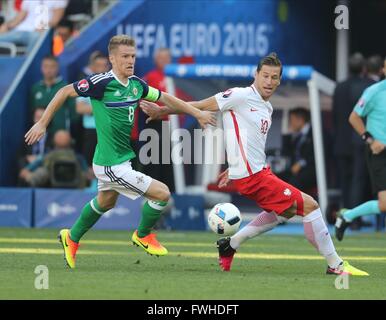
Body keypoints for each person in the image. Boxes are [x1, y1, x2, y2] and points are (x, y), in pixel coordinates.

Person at [141, 52, 368, 276]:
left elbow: (249, 143)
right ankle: (335, 264)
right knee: (311, 206)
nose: (269, 82)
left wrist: (235, 166)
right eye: (265, 76)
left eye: (274, 77)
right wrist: (163, 110)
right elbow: (199, 104)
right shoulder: (239, 95)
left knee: (283, 213)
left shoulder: (266, 107)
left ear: (279, 80)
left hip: (256, 172)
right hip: (254, 177)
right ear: (256, 74)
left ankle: (230, 245)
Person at [25, 35, 216, 269]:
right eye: (125, 56)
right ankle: (143, 235)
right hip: (109, 164)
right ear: (112, 59)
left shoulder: (136, 85)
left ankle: (71, 237)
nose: (130, 60)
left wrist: (196, 113)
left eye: (133, 56)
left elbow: (166, 97)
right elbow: (64, 91)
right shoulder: (100, 83)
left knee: (105, 202)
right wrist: (43, 123)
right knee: (163, 194)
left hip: (122, 159)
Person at [335, 57, 386, 241]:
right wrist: (370, 140)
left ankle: (347, 216)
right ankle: (347, 216)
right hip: (379, 152)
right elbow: (354, 117)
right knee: (384, 204)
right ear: (383, 69)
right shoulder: (374, 91)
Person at [332, 53, 374, 229]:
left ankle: (346, 219)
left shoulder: (339, 87)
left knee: (345, 182)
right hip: (359, 140)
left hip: (341, 141)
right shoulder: (369, 86)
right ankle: (354, 220)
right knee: (358, 180)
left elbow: (335, 115)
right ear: (364, 69)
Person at [30, 55, 78, 142]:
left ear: (58, 68)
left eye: (52, 66)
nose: (49, 70)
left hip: (60, 134)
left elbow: (73, 114)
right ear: (41, 68)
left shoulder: (66, 87)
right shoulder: (36, 88)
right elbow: (32, 111)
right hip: (40, 134)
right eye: (46, 66)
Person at [19, 130, 88, 188]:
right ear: (71, 142)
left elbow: (23, 173)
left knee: (41, 172)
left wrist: (28, 175)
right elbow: (88, 176)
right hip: (76, 191)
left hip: (50, 191)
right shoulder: (79, 158)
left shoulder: (46, 157)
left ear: (54, 142)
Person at [0, 0, 67, 53]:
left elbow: (55, 20)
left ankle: (27, 63)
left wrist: (43, 26)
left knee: (35, 37)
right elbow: (19, 18)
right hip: (20, 31)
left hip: (38, 32)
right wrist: (6, 26)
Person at [280, 107, 316, 192]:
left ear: (300, 120)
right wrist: (287, 135)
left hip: (310, 170)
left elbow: (314, 154)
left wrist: (301, 164)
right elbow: (286, 153)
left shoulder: (315, 133)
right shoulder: (297, 137)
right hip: (295, 170)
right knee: (276, 178)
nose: (291, 123)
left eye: (292, 120)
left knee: (294, 183)